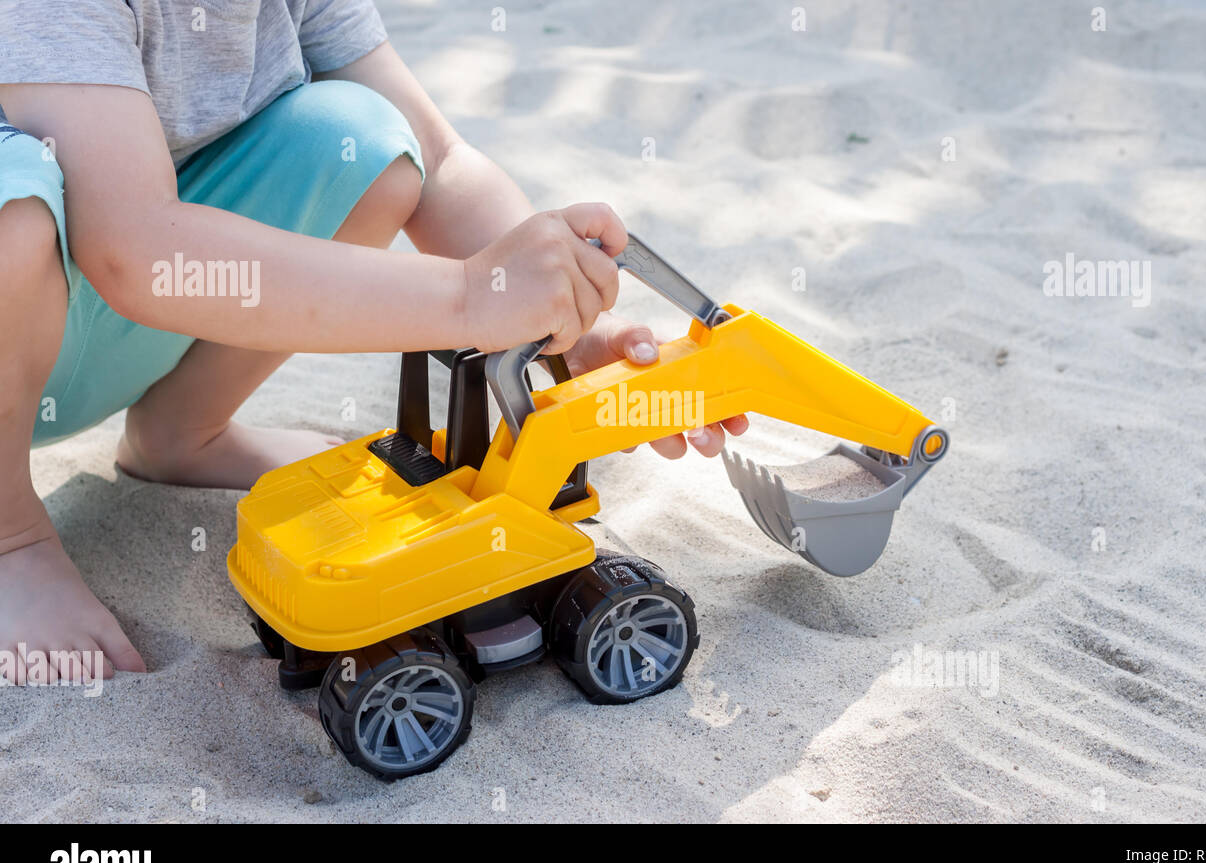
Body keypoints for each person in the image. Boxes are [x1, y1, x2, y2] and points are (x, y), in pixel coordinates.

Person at [0, 1, 747, 683]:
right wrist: (463, 298)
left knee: (369, 144)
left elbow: (441, 161)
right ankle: (11, 536)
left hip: (108, 317)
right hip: (44, 294)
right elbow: (135, 249)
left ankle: (178, 431)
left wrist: (566, 325)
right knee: (13, 210)